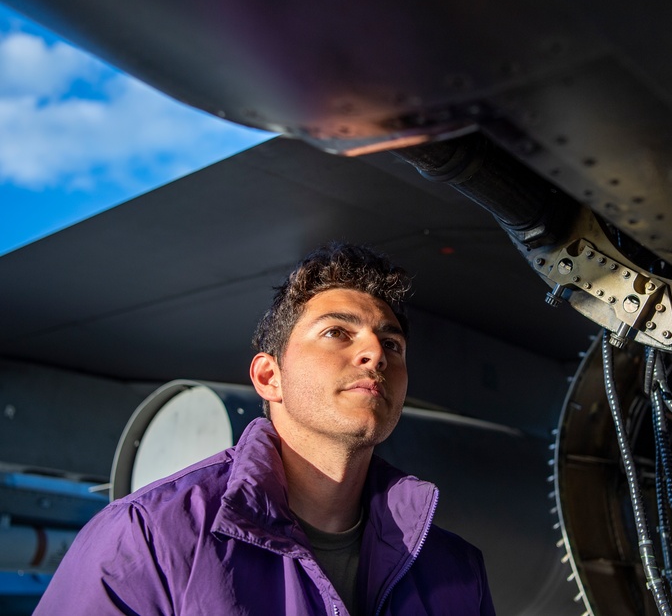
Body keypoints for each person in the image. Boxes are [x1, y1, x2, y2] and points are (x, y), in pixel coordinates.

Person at [35, 242, 496, 615]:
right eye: (338, 332)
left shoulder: (454, 568)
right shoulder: (147, 538)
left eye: (392, 343)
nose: (375, 353)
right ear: (268, 377)